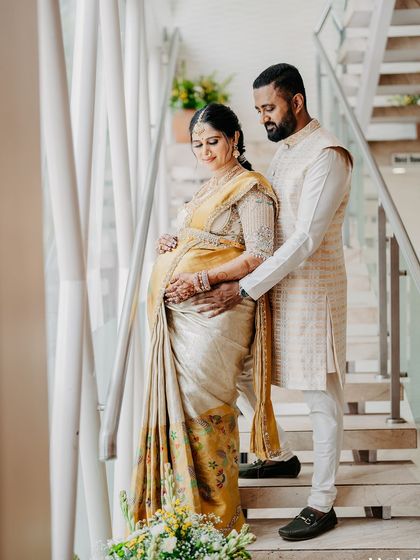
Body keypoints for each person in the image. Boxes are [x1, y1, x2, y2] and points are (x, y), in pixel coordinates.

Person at [192, 64, 353, 541]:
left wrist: (242, 286)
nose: (263, 116)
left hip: (313, 295)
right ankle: (277, 456)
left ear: (296, 102)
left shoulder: (328, 156)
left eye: (270, 107)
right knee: (246, 368)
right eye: (259, 108)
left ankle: (322, 502)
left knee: (321, 397)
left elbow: (305, 237)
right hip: (275, 290)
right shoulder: (284, 153)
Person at [132, 102, 282, 533]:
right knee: (180, 402)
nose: (205, 151)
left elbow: (259, 253)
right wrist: (172, 242)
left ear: (234, 138)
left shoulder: (252, 188)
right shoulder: (207, 187)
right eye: (197, 144)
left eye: (212, 141)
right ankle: (183, 510)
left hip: (219, 313)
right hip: (180, 321)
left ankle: (216, 516)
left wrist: (201, 281)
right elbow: (199, 236)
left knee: (203, 405)